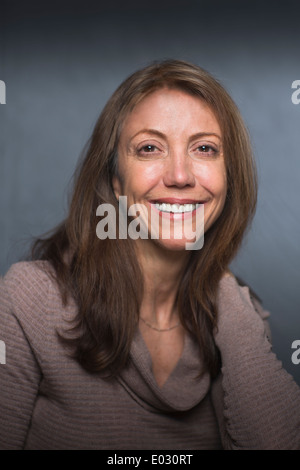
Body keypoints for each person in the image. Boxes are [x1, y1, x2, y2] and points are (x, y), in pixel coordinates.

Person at [0, 59, 299, 450]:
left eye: (205, 148)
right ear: (116, 183)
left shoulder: (240, 314)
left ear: (229, 180)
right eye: (149, 148)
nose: (179, 175)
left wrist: (221, 285)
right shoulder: (30, 300)